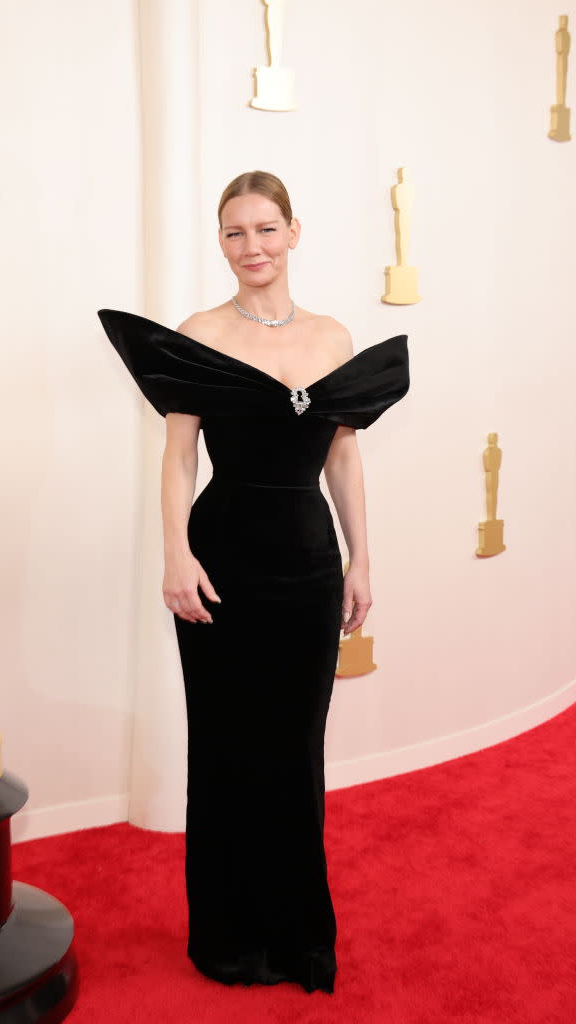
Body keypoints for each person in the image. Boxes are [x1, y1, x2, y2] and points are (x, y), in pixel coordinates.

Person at [97, 169, 410, 994]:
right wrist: (175, 554)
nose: (252, 247)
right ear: (221, 241)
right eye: (234, 233)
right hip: (223, 557)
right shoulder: (199, 331)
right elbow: (176, 457)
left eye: (266, 229)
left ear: (294, 233)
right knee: (228, 744)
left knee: (295, 748)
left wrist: (360, 557)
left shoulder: (333, 337)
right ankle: (231, 938)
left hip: (307, 560)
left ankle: (299, 935)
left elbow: (342, 455)